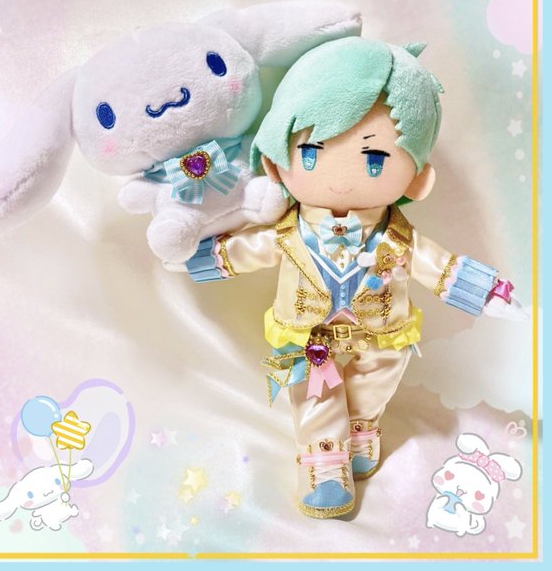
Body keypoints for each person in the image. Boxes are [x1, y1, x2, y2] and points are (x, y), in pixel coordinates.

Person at [181, 36, 522, 519]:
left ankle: (361, 424)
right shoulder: (287, 234)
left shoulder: (398, 239)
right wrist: (195, 257)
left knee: (379, 375)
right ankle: (324, 460)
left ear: (417, 180)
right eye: (311, 153)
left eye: (375, 159)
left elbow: (438, 265)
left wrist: (486, 292)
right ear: (276, 163)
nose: (341, 178)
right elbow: (248, 248)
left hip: (382, 330)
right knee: (313, 390)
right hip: (307, 335)